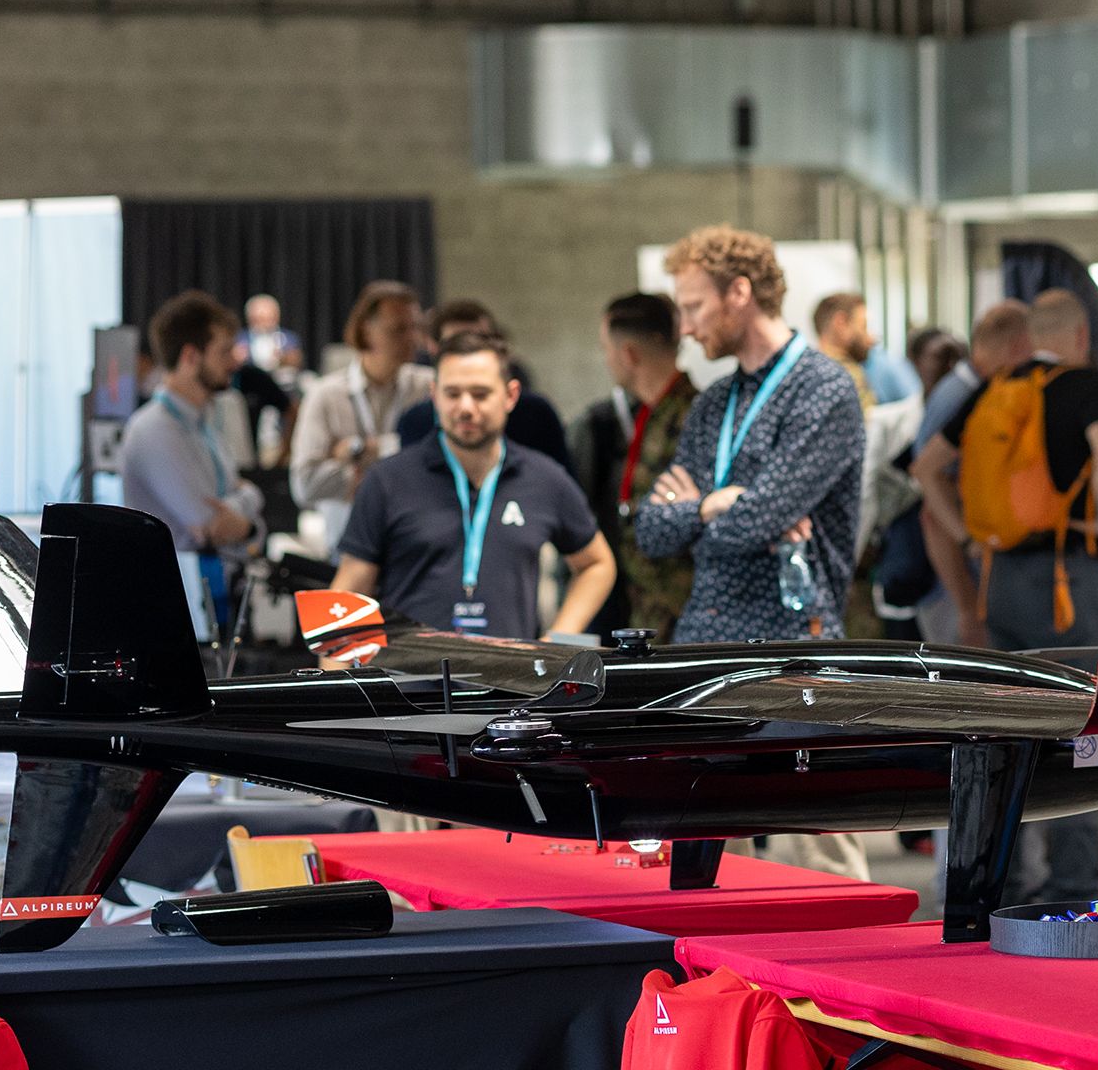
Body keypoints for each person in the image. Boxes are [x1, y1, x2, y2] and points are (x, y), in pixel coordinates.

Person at [634, 224, 866, 880]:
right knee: (709, 850)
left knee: (823, 844)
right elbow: (651, 532)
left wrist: (711, 514)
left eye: (693, 306)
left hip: (798, 645)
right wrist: (712, 505)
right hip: (706, 643)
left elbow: (758, 517)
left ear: (739, 293)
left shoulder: (824, 390)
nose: (685, 328)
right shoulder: (714, 404)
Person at [912, 288, 1098, 902]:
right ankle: (1074, 887)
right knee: (1085, 725)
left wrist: (968, 535)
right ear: (1081, 336)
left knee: (1008, 729)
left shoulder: (994, 389)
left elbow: (925, 468)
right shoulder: (1086, 385)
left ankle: (1002, 889)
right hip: (1065, 581)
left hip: (998, 578)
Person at [333, 331, 615, 639]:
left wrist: (558, 640)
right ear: (434, 395)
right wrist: (334, 668)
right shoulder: (388, 481)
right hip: (408, 669)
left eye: (480, 394)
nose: (466, 407)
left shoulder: (545, 479)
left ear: (510, 395)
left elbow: (597, 564)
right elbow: (348, 593)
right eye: (452, 394)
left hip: (511, 670)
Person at [567, 293, 698, 641]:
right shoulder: (651, 414)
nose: (607, 360)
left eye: (606, 349)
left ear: (628, 354)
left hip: (682, 614)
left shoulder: (692, 417)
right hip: (650, 608)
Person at [120, 291, 264, 590]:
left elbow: (240, 502)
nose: (234, 362)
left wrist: (246, 502)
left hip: (211, 589)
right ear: (190, 357)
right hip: (173, 596)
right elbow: (209, 525)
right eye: (224, 352)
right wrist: (249, 508)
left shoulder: (203, 422)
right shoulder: (154, 429)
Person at [910, 301, 1032, 646]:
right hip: (954, 587)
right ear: (1017, 346)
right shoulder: (963, 399)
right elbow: (933, 505)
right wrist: (966, 605)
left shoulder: (967, 390)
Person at [289, 281, 433, 555]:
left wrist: (364, 450)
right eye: (399, 329)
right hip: (348, 551)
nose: (413, 339)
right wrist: (398, 462)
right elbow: (305, 485)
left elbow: (437, 463)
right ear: (367, 330)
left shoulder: (430, 388)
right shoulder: (326, 395)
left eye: (415, 328)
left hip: (417, 548)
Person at [396, 300, 574, 473]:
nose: (470, 355)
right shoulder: (414, 421)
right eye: (456, 345)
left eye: (481, 394)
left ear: (511, 395)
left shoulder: (536, 414)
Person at [813, 292, 878, 413]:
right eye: (864, 327)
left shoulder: (810, 373)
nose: (872, 339)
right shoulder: (842, 375)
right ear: (841, 323)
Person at [235, 293, 302, 375]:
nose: (264, 324)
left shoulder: (288, 338)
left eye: (268, 319)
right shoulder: (239, 338)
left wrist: (284, 358)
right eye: (259, 319)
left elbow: (296, 362)